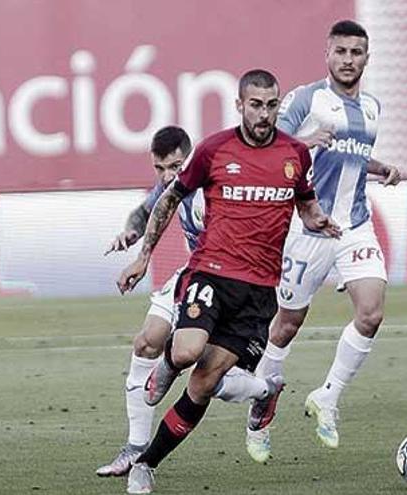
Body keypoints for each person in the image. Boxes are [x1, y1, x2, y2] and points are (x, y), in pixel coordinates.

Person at [117, 69, 340, 494]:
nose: (264, 113)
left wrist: (318, 220)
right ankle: (166, 366)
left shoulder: (295, 154)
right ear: (239, 105)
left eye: (272, 105)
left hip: (259, 291)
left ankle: (146, 464)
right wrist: (142, 256)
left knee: (203, 384)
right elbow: (168, 200)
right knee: (185, 353)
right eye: (255, 104)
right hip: (212, 274)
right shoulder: (214, 150)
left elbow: (306, 205)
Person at [244, 20, 402, 462]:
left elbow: (348, 155)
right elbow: (267, 144)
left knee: (371, 313)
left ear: (367, 58)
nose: (348, 60)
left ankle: (327, 398)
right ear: (327, 55)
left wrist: (381, 167)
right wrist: (303, 141)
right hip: (308, 228)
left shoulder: (371, 106)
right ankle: (261, 412)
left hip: (355, 225)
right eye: (341, 52)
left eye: (356, 52)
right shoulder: (305, 98)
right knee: (286, 325)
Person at [97, 127, 279, 477]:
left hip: (232, 286)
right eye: (159, 168)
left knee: (207, 376)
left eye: (174, 166)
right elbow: (145, 211)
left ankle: (263, 390)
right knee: (147, 341)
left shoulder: (218, 184)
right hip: (193, 276)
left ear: (190, 156)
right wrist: (131, 235)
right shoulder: (172, 187)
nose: (168, 175)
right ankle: (135, 449)